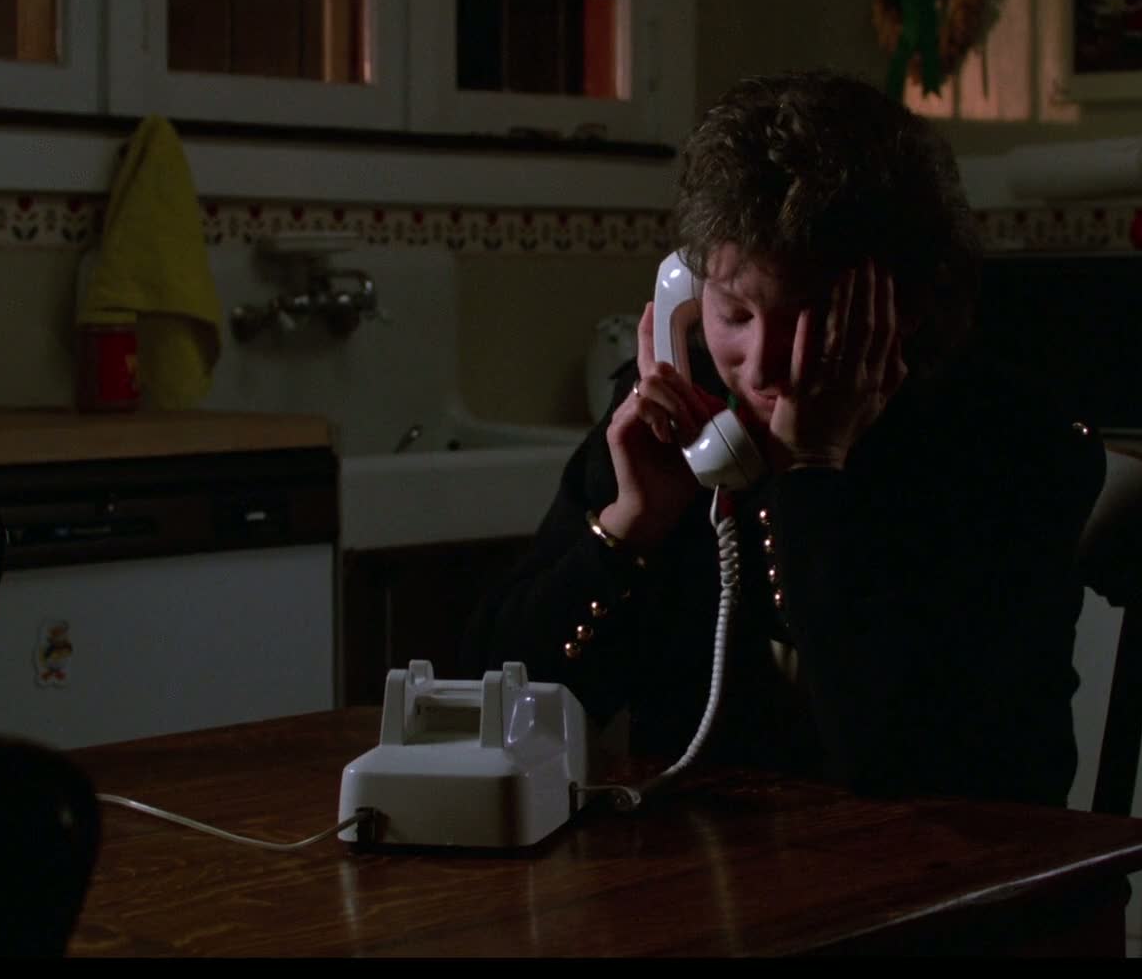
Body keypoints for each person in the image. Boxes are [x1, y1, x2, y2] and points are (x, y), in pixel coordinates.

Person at [459, 70, 1106, 807]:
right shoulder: (678, 419)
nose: (763, 365)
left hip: (928, 866)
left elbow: (919, 765)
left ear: (908, 305)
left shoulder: (1011, 448)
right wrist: (628, 528)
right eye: (735, 314)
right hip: (699, 861)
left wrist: (812, 478)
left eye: (810, 319)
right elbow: (490, 709)